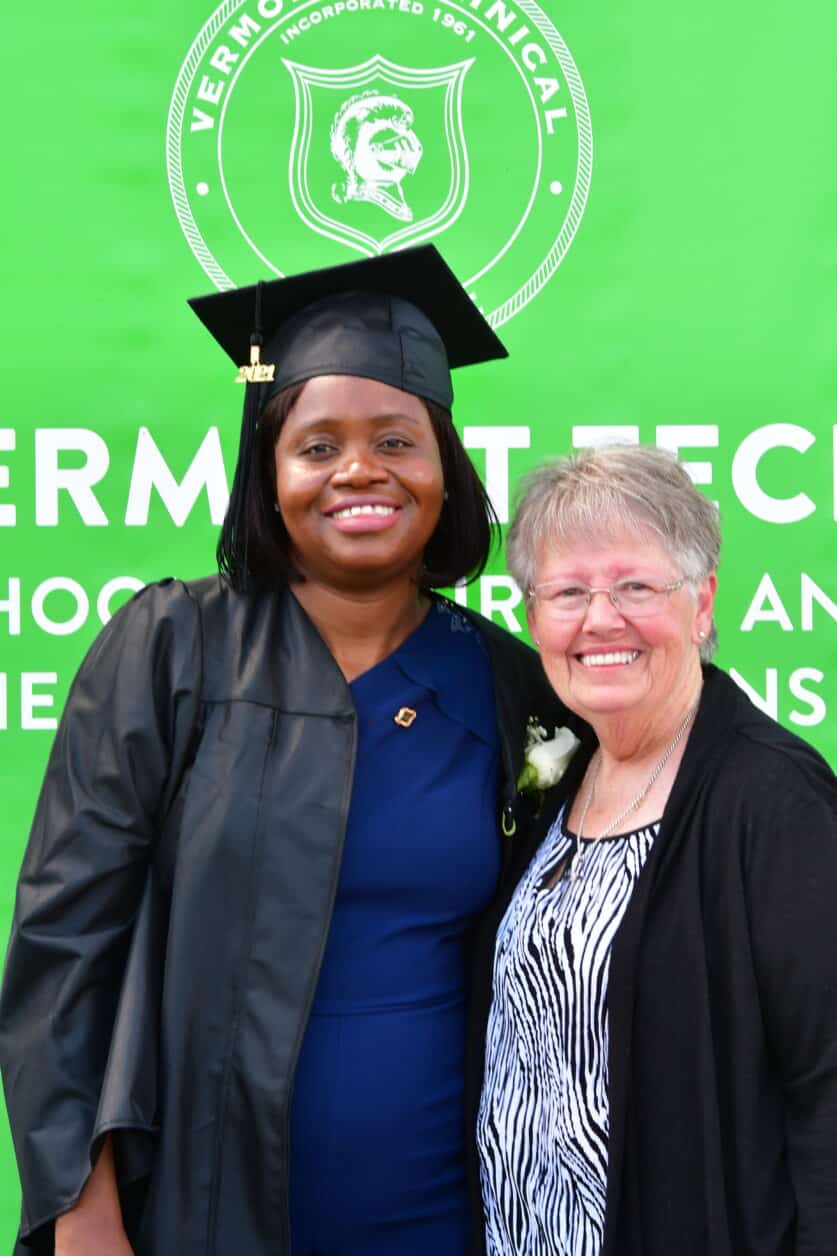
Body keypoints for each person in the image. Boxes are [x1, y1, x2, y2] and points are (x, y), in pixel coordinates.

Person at [0, 246, 572, 1256]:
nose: (359, 469)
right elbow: (64, 947)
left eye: (398, 439)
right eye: (316, 445)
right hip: (194, 1206)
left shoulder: (521, 693)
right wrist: (83, 1212)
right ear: (269, 475)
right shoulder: (172, 650)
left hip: (446, 1210)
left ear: (446, 472)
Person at [470, 444, 837, 1256]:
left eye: (636, 586)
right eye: (567, 592)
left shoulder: (773, 802)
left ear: (701, 602)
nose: (600, 619)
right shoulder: (551, 773)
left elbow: (826, 1087)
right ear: (532, 617)